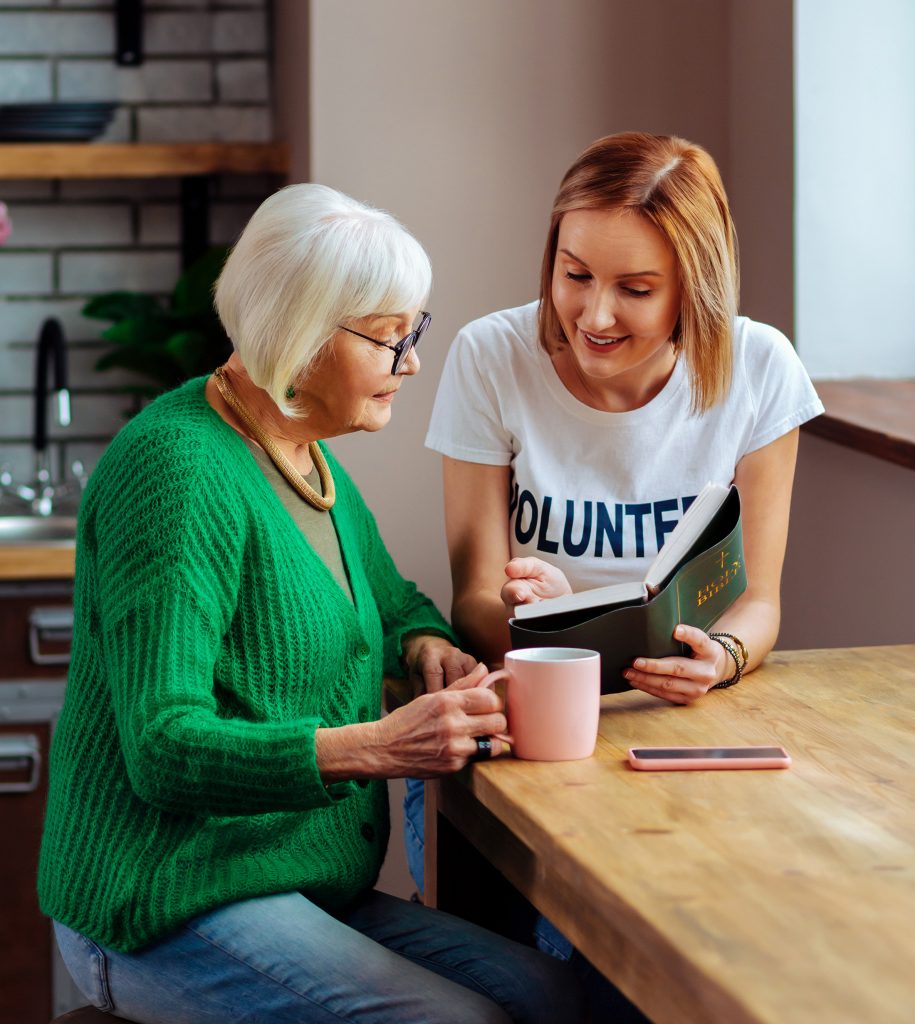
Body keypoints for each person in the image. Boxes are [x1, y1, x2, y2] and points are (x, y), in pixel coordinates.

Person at [37, 184, 583, 1024]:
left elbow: (393, 603)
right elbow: (160, 747)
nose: (413, 363)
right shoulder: (179, 473)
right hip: (163, 900)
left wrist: (424, 646)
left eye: (415, 333)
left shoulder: (306, 457)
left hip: (292, 880)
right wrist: (375, 747)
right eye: (391, 339)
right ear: (301, 333)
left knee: (559, 1000)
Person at [408, 132, 823, 967]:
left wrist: (725, 658)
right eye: (575, 275)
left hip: (684, 734)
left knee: (738, 941)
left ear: (693, 290)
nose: (594, 315)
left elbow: (760, 601)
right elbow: (475, 601)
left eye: (635, 289)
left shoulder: (759, 368)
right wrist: (548, 615)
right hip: (543, 730)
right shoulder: (493, 356)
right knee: (570, 958)